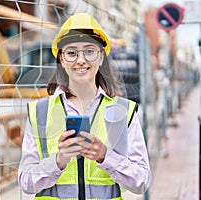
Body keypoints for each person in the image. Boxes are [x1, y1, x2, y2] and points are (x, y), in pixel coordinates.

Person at [18, 12, 151, 200]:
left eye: (89, 51)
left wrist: (106, 157)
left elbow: (142, 181)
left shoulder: (123, 112)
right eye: (71, 53)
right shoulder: (40, 112)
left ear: (101, 57)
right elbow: (25, 182)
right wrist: (58, 160)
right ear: (62, 60)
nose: (81, 60)